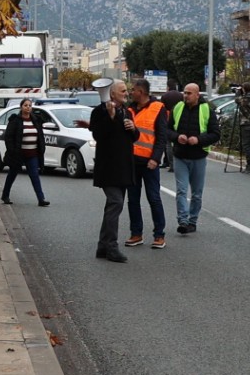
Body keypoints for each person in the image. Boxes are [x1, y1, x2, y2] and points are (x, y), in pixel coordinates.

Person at [89, 79, 138, 261]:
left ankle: (102, 247)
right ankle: (111, 247)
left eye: (127, 90)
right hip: (108, 168)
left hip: (124, 167)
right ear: (112, 94)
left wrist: (134, 129)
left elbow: (133, 138)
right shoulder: (99, 111)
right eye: (123, 91)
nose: (127, 93)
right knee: (116, 203)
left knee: (112, 207)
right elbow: (98, 134)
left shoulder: (126, 111)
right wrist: (109, 117)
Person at [165, 83, 220, 234]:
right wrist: (177, 137)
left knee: (196, 193)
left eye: (189, 93)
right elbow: (167, 130)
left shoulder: (206, 110)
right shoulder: (177, 108)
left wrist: (199, 140)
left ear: (197, 95)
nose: (186, 96)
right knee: (181, 190)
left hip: (198, 157)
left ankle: (192, 221)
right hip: (180, 155)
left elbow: (216, 133)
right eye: (185, 93)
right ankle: (183, 220)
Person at [124, 80, 168, 249]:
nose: (130, 93)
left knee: (154, 198)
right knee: (133, 200)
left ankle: (159, 235)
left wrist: (155, 159)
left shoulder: (158, 108)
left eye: (133, 90)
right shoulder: (129, 109)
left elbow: (161, 136)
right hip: (132, 162)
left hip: (149, 163)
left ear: (141, 92)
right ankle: (136, 234)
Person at [1, 97, 54, 207]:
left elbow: (40, 136)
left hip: (32, 154)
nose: (28, 107)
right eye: (25, 105)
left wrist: (41, 149)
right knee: (12, 174)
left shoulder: (35, 120)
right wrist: (12, 151)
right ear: (21, 107)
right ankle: (5, 195)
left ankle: (41, 199)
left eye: (29, 105)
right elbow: (9, 137)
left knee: (34, 175)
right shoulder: (15, 120)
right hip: (18, 154)